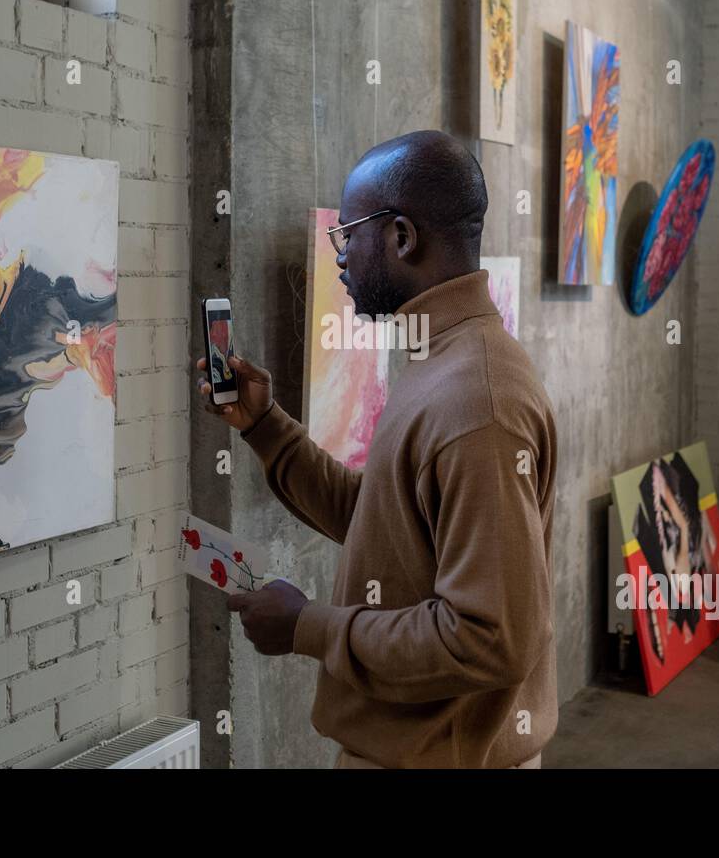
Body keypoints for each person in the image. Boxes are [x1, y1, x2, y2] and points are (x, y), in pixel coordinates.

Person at [194, 130, 558, 768]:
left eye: (347, 233)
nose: (339, 256)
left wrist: (307, 625)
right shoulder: (440, 359)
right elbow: (385, 518)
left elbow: (490, 637)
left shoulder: (479, 403)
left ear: (401, 237)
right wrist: (264, 426)